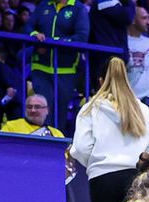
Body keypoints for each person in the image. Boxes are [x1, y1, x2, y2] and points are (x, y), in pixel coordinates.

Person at [70, 57, 149, 202]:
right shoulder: (143, 110)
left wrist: (97, 161)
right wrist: (141, 163)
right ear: (126, 78)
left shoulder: (90, 109)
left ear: (100, 81)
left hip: (102, 178)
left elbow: (80, 147)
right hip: (136, 179)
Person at [29, 0, 89, 133]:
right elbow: (28, 27)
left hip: (66, 71)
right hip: (41, 69)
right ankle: (38, 145)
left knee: (60, 114)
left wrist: (52, 42)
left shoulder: (78, 9)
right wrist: (34, 36)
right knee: (42, 111)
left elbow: (81, 37)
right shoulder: (44, 5)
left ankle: (56, 145)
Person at [123, 5, 149, 110]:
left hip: (148, 98)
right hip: (126, 98)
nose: (148, 22)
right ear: (133, 20)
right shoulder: (121, 41)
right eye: (144, 18)